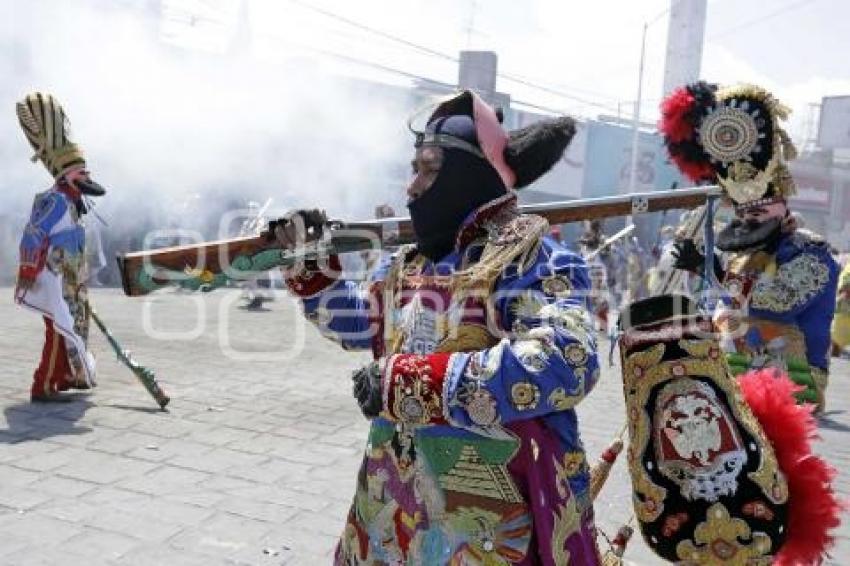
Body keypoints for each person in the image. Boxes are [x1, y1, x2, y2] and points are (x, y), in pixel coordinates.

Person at [277, 91, 603, 563]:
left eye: (429, 170)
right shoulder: (409, 262)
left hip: (486, 514)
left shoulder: (528, 259)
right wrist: (309, 267)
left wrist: (416, 382)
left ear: (467, 179)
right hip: (394, 497)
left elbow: (566, 359)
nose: (412, 187)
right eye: (414, 168)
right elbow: (363, 325)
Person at [661, 82, 839, 413]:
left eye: (760, 211)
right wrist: (702, 269)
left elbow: (776, 302)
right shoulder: (743, 255)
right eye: (744, 213)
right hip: (736, 371)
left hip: (792, 378)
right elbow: (724, 309)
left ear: (783, 206)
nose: (751, 219)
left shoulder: (812, 253)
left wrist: (714, 270)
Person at [14, 92, 107, 402]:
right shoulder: (55, 200)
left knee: (70, 327)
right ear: (67, 174)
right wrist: (28, 268)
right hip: (54, 276)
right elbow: (33, 232)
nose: (87, 176)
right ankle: (42, 385)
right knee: (57, 329)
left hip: (70, 277)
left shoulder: (73, 200)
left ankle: (64, 376)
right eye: (82, 172)